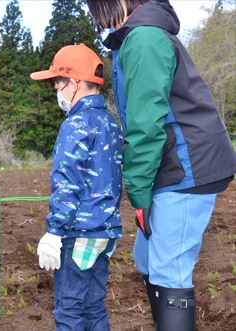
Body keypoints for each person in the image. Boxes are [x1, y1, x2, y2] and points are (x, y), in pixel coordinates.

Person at [86, 1, 236, 330]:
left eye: (101, 8)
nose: (99, 18)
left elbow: (146, 126)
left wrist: (139, 192)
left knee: (169, 270)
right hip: (171, 165)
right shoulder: (134, 38)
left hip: (187, 165)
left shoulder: (144, 39)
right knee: (146, 260)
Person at [31, 44, 123, 331]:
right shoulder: (110, 123)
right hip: (104, 232)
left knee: (69, 310)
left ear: (73, 82)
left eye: (57, 82)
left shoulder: (76, 124)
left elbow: (68, 182)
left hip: (78, 233)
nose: (56, 90)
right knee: (93, 306)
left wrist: (54, 232)